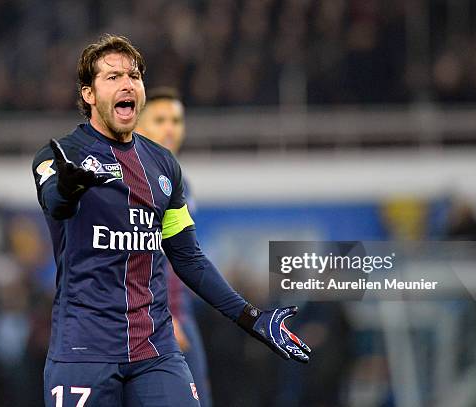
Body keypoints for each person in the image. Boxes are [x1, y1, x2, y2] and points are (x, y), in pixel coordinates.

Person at [31, 34, 310, 407]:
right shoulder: (62, 155)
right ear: (89, 94)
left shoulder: (163, 166)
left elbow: (188, 257)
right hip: (84, 350)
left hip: (155, 351)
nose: (127, 83)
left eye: (134, 75)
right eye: (112, 77)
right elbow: (54, 202)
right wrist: (67, 188)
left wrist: (251, 317)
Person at [135, 87, 212, 407]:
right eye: (160, 119)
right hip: (153, 320)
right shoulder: (133, 181)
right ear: (137, 124)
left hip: (181, 314)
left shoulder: (178, 182)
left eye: (177, 120)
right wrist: (162, 315)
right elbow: (135, 257)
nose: (171, 128)